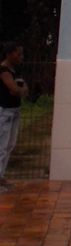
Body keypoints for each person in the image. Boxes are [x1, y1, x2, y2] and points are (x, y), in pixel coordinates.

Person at [0, 42, 28, 192]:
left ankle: (1, 176)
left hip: (14, 111)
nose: (21, 57)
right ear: (9, 54)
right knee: (1, 146)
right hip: (4, 112)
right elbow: (14, 89)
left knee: (9, 145)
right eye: (18, 54)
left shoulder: (14, 71)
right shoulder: (4, 70)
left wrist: (19, 90)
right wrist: (19, 90)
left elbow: (23, 90)